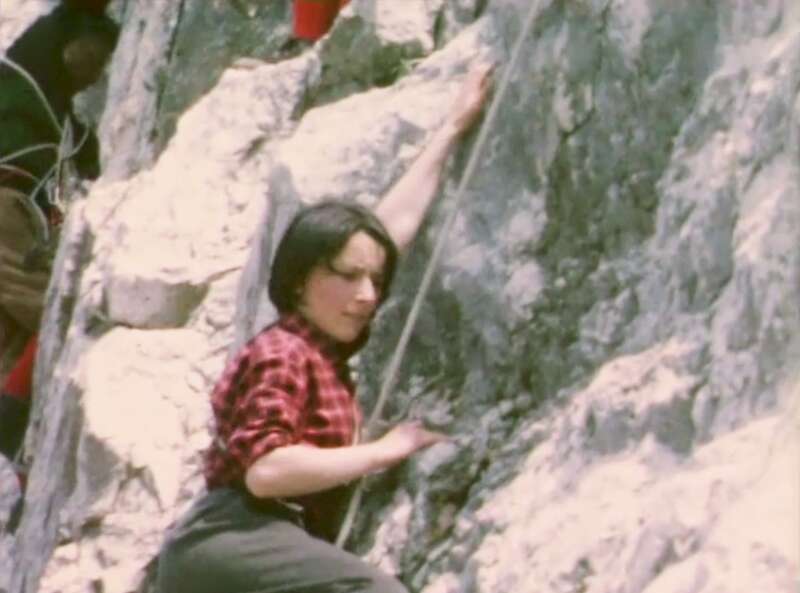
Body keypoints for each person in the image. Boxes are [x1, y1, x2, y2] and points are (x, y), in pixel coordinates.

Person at [155, 62, 493, 593]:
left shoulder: (317, 351)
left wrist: (452, 129)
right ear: (300, 281)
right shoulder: (283, 353)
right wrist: (387, 450)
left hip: (251, 545)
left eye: (375, 281)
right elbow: (266, 471)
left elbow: (384, 234)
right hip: (232, 535)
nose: (368, 295)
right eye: (347, 277)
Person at [0, 0, 119, 478]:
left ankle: (15, 438)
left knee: (20, 334)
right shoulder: (25, 78)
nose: (97, 74)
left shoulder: (41, 89)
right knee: (56, 314)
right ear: (69, 46)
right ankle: (11, 426)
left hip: (19, 212)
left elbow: (79, 145)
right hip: (7, 213)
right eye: (96, 59)